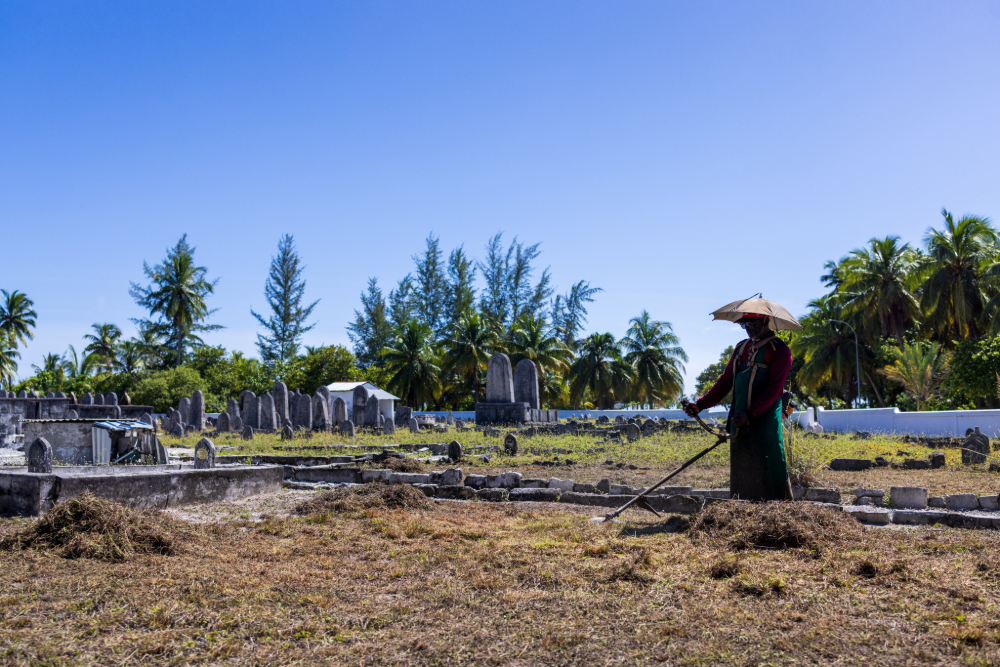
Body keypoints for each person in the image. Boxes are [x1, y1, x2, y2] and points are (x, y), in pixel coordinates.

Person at [684, 313, 793, 501]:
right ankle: (742, 508)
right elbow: (726, 381)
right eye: (744, 325)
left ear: (766, 321)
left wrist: (751, 413)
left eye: (752, 323)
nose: (748, 328)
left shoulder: (779, 350)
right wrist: (701, 404)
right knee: (742, 464)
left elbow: (774, 389)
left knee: (771, 460)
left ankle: (781, 508)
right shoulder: (741, 348)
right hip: (739, 419)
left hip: (764, 419)